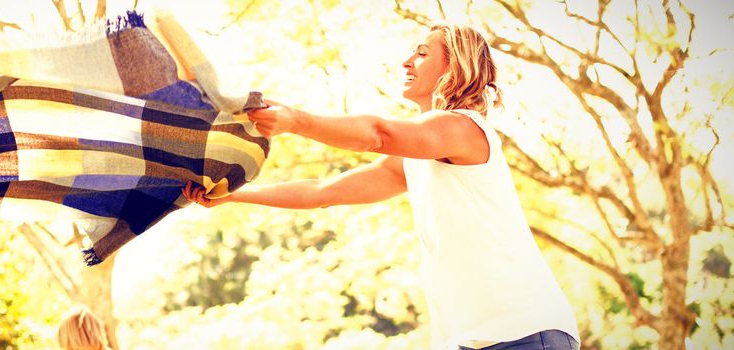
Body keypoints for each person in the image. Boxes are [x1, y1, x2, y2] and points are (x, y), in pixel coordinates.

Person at [183, 23, 580, 349]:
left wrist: (297, 121)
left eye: (423, 53)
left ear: (455, 65)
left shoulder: (463, 128)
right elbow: (323, 192)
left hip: (525, 332)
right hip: (474, 340)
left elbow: (377, 133)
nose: (408, 61)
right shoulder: (413, 161)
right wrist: (234, 196)